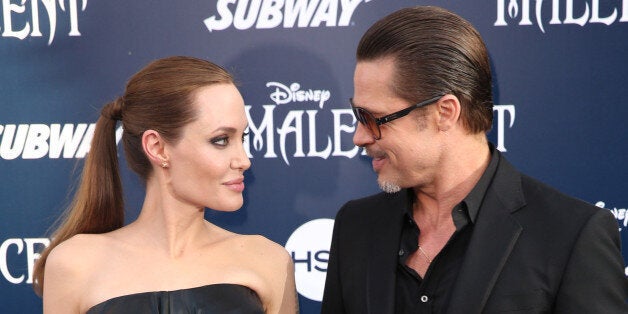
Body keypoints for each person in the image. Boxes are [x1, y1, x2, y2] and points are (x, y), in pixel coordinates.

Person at [321, 6, 628, 314]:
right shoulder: (355, 227)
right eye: (358, 115)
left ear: (445, 112)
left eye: (374, 118)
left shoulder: (570, 235)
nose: (358, 137)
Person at [33, 56, 298, 314]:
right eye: (221, 140)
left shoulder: (267, 261)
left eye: (243, 138)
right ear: (158, 148)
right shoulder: (74, 265)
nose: (243, 160)